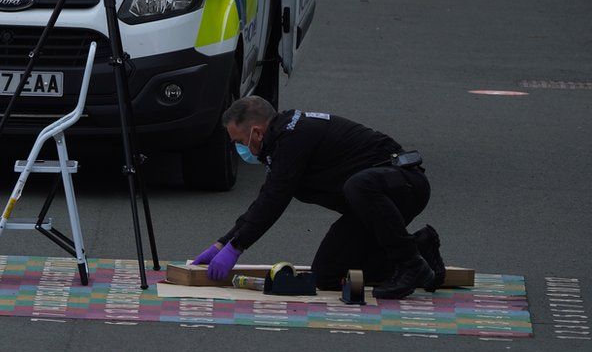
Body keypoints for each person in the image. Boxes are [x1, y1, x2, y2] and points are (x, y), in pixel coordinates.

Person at [191, 96, 446, 299]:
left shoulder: (294, 138)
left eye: (239, 142)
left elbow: (275, 200)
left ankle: (410, 263)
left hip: (403, 185)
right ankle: (421, 250)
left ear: (256, 133)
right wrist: (221, 244)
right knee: (327, 275)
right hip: (372, 204)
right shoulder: (279, 142)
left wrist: (237, 247)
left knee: (358, 185)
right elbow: (265, 198)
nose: (240, 150)